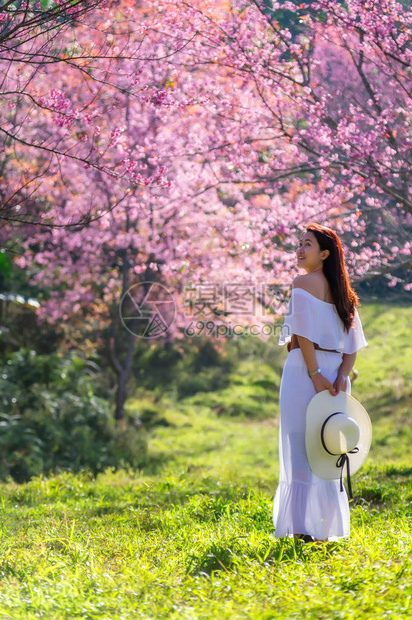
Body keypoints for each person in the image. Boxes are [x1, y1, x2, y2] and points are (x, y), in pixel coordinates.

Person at [272, 223, 368, 542]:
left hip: (306, 370)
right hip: (335, 374)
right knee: (326, 451)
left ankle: (300, 530)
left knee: (301, 448)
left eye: (307, 244)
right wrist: (341, 375)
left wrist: (315, 375)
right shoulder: (345, 294)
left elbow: (302, 335)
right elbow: (352, 347)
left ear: (324, 253)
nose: (299, 249)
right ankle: (325, 531)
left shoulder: (302, 283)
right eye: (299, 243)